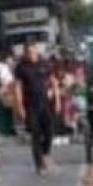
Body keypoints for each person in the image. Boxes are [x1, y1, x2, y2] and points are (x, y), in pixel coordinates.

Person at [14, 42, 57, 174]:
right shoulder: (21, 67)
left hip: (45, 102)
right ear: (25, 53)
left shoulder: (44, 64)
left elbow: (53, 81)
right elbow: (18, 88)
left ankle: (45, 152)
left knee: (49, 131)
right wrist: (20, 107)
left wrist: (58, 100)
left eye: (33, 52)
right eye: (28, 52)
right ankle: (39, 164)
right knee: (35, 134)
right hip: (30, 104)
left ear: (36, 51)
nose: (31, 55)